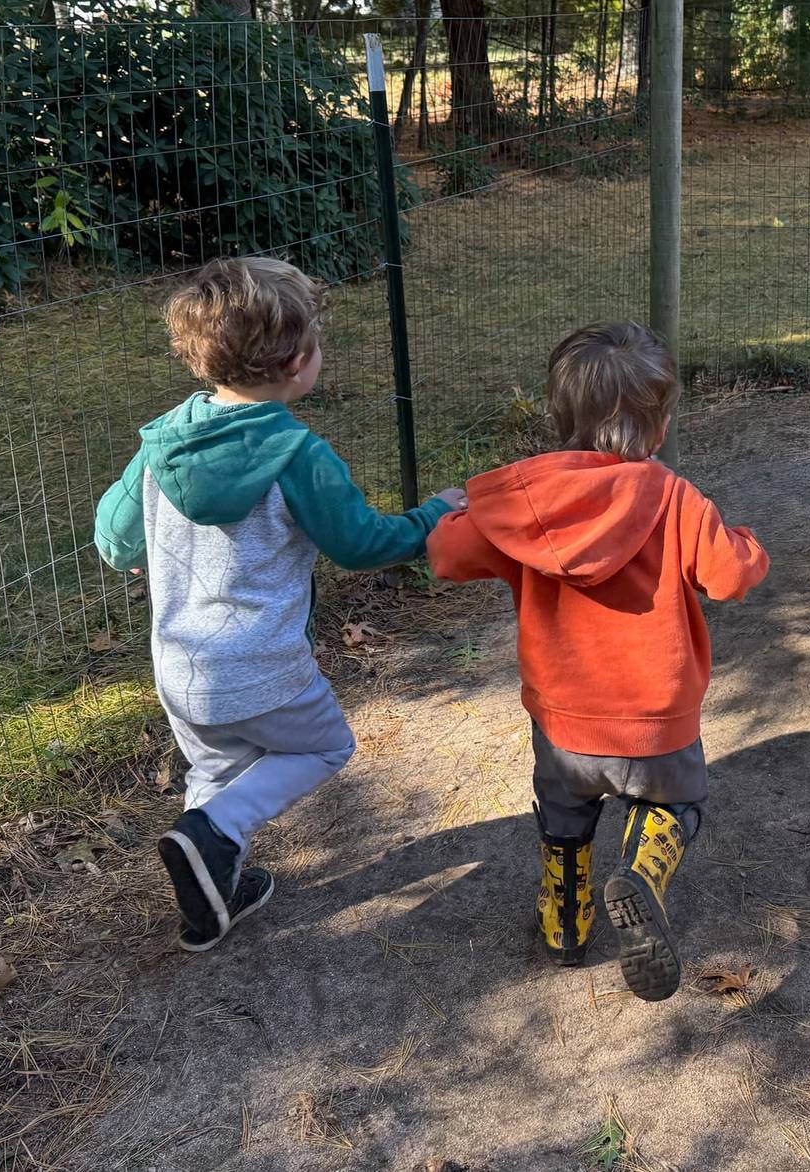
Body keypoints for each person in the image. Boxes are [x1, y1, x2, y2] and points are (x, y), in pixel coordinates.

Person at [95, 256, 465, 953]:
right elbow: (360, 543)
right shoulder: (297, 453)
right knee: (326, 745)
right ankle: (213, 833)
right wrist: (432, 518)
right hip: (261, 663)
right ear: (298, 362)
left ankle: (212, 896)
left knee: (216, 771)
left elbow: (113, 539)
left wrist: (140, 544)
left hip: (180, 666)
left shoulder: (162, 441)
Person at [427, 321, 768, 1001]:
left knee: (564, 820)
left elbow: (445, 556)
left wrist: (457, 514)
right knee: (680, 805)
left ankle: (565, 921)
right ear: (661, 424)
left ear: (560, 419)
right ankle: (643, 871)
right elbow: (731, 577)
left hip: (564, 724)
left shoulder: (527, 508)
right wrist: (746, 542)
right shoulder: (676, 499)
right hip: (656, 719)